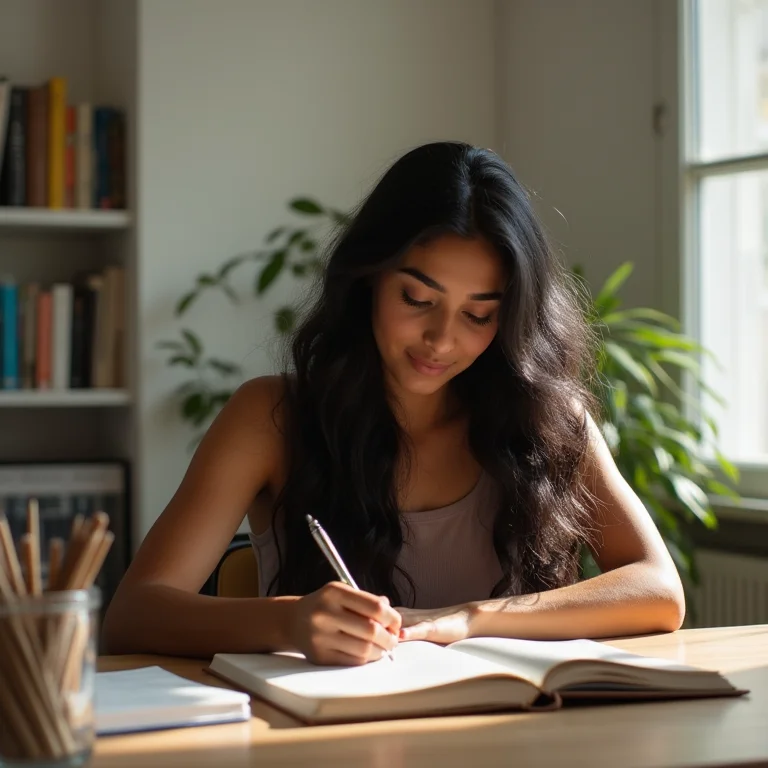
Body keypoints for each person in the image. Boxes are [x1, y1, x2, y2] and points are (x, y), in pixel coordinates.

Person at [103, 142, 685, 665]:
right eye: (416, 298)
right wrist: (290, 620)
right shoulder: (271, 418)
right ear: (368, 279)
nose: (441, 340)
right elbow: (134, 614)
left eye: (478, 315)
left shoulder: (547, 421)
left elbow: (658, 589)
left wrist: (466, 620)